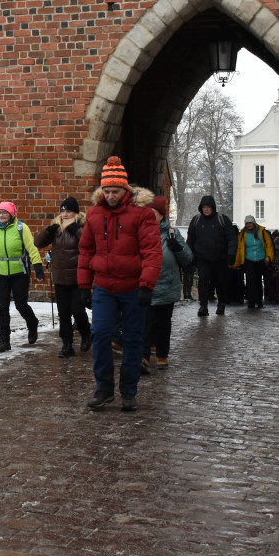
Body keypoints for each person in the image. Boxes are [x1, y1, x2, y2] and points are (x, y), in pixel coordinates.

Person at [78, 156, 162, 412]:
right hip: (104, 286)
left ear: (125, 189)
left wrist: (147, 285)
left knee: (134, 339)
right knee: (101, 334)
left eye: (115, 191)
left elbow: (152, 252)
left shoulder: (142, 214)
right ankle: (104, 389)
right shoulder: (94, 214)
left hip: (133, 287)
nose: (110, 196)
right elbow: (85, 251)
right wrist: (84, 286)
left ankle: (128, 390)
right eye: (106, 191)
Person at [0, 201, 45, 352]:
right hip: (1, 274)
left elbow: (32, 249)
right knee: (2, 308)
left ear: (12, 214)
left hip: (20, 274)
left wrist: (38, 269)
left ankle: (32, 323)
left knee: (21, 305)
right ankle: (4, 341)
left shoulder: (21, 228)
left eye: (4, 212)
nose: (1, 215)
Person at [34, 196, 91, 358]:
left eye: (69, 211)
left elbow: (89, 243)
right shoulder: (56, 228)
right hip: (60, 277)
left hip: (77, 277)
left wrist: (75, 229)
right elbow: (38, 243)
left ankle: (86, 334)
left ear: (76, 213)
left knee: (78, 310)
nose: (65, 215)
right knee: (64, 313)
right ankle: (67, 344)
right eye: (63, 211)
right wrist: (48, 230)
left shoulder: (82, 226)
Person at [141, 196, 192, 372]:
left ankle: (162, 355)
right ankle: (144, 357)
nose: (150, 216)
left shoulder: (172, 233)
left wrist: (177, 247)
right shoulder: (141, 231)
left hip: (167, 285)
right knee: (145, 323)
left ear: (161, 215)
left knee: (163, 324)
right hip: (147, 284)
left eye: (153, 213)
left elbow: (188, 257)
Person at [186, 195, 237, 317]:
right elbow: (190, 239)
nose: (206, 209)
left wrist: (231, 253)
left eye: (208, 207)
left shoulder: (222, 219)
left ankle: (221, 304)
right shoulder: (196, 220)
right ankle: (203, 306)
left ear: (213, 207)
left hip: (220, 258)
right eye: (204, 207)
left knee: (220, 282)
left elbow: (232, 238)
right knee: (203, 281)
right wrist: (189, 254)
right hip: (202, 258)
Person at [233, 215, 274, 309]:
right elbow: (239, 249)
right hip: (248, 261)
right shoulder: (242, 234)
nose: (249, 225)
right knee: (250, 282)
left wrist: (268, 258)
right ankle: (251, 301)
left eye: (250, 223)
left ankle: (259, 300)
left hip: (261, 260)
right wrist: (237, 263)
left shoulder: (263, 232)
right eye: (247, 223)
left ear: (254, 223)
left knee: (258, 281)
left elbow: (269, 246)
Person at [265, 230, 279, 304]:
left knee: (272, 284)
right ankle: (278, 296)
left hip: (273, 269)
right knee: (278, 284)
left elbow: (268, 259)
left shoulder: (272, 250)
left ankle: (273, 296)